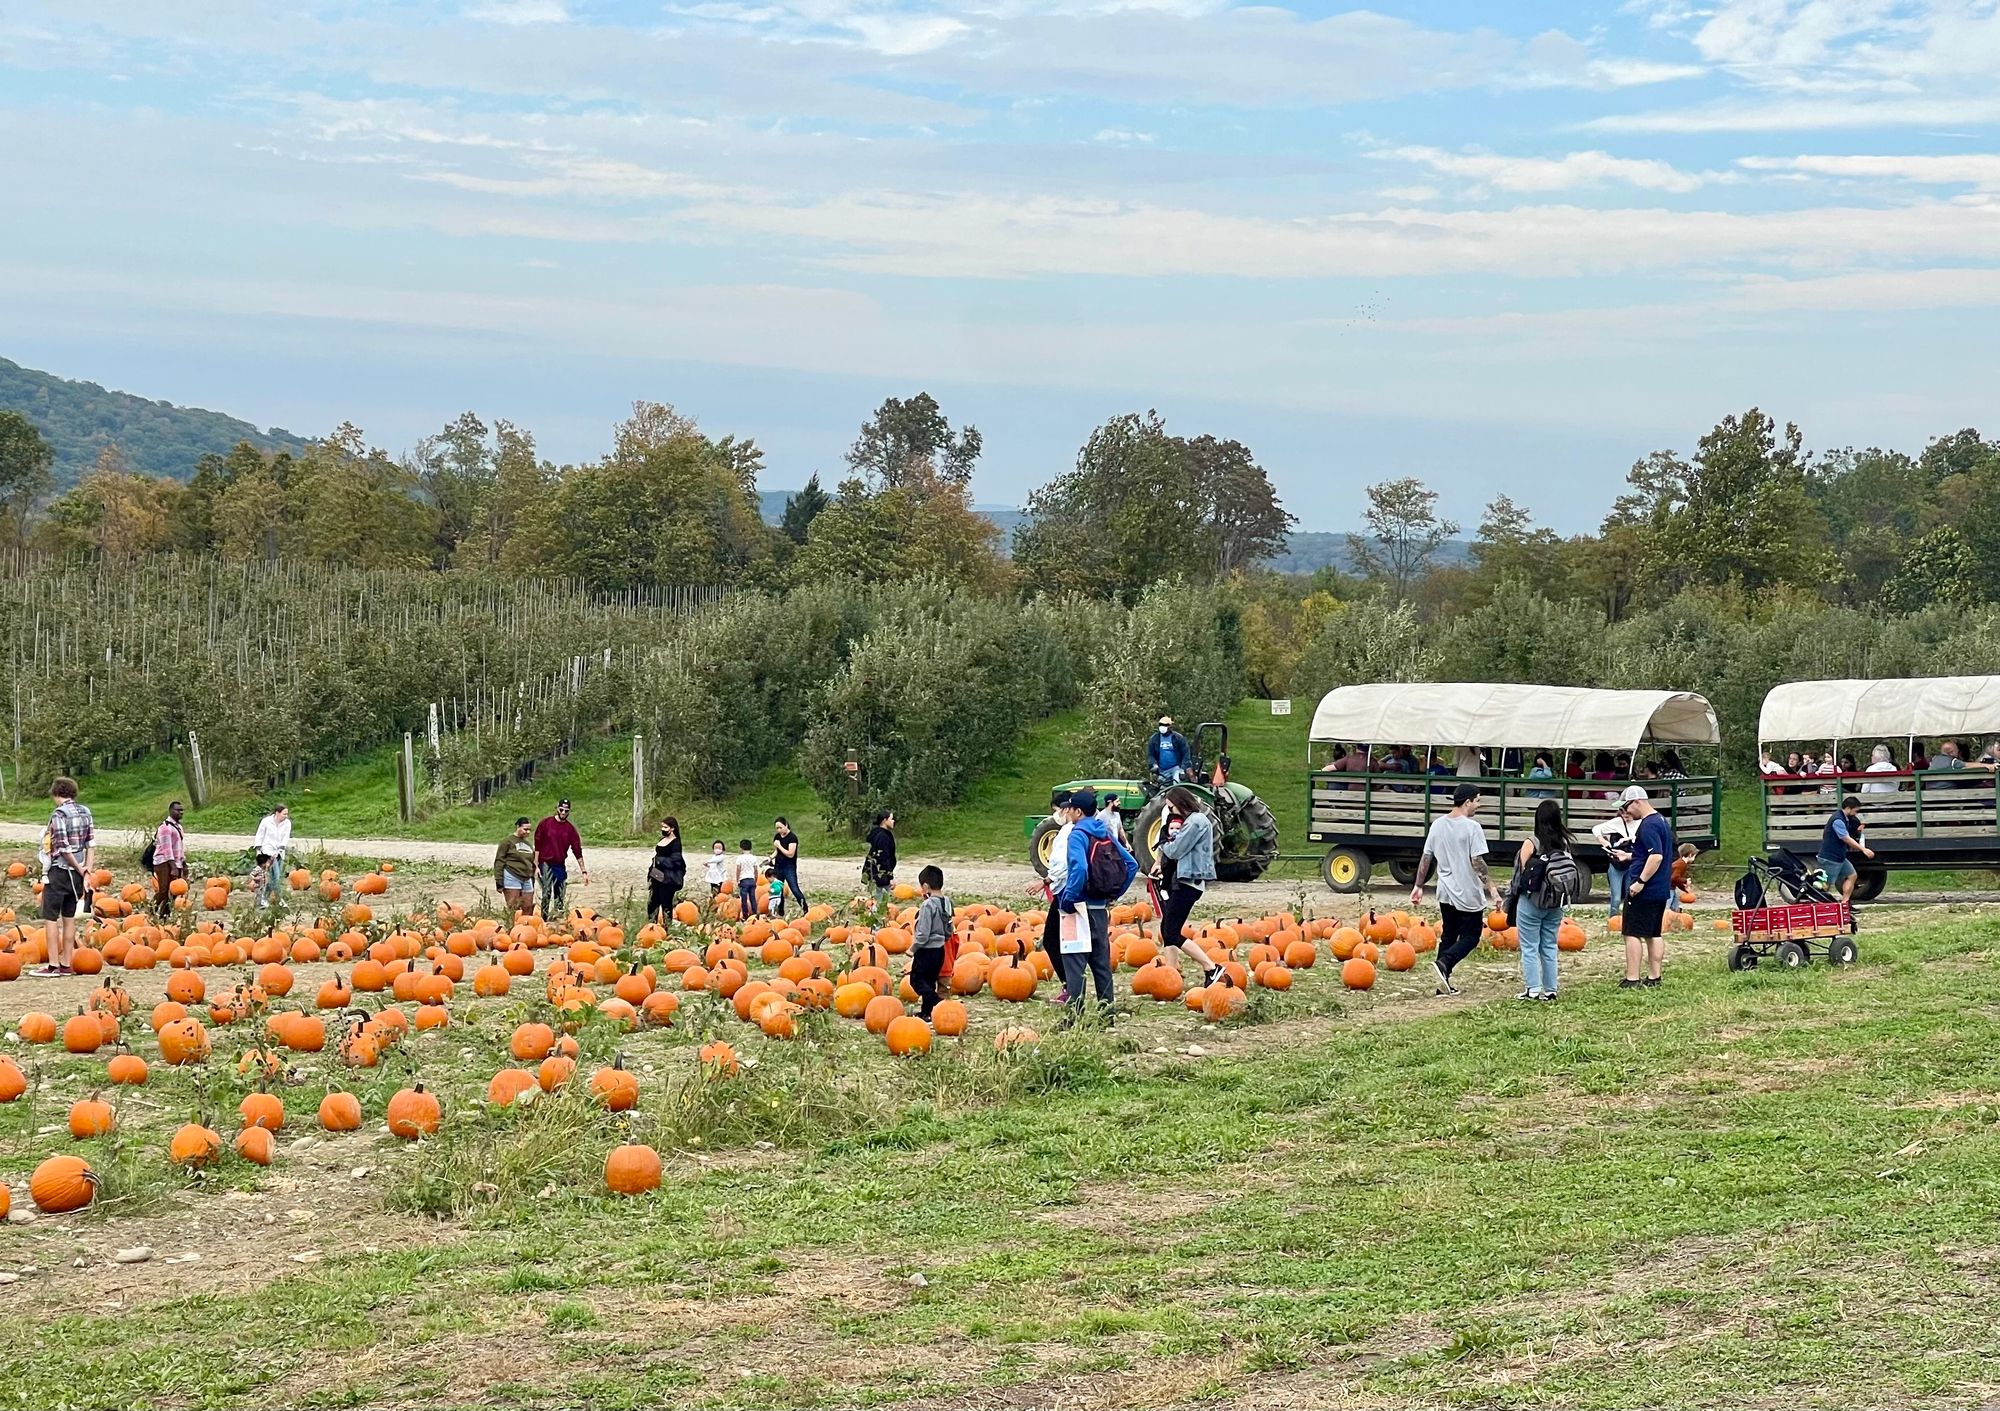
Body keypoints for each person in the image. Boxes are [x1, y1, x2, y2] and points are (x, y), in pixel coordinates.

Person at [1409, 783, 1502, 997]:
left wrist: (1418, 885)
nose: (1478, 805)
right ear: (1467, 801)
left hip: (1445, 890)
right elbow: (1477, 861)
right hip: (1467, 891)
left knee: (1449, 935)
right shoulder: (1472, 828)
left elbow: (1426, 857)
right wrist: (1492, 889)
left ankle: (1442, 983)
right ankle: (1445, 963)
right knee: (1471, 936)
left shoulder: (1438, 825)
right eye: (1477, 800)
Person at [1057, 788, 1136, 1023]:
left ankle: (1074, 1017)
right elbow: (1131, 865)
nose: (1067, 812)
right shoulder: (1104, 831)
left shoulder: (1077, 834)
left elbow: (1079, 869)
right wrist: (1113, 894)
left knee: (1074, 962)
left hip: (1079, 908)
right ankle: (1106, 1015)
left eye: (1069, 808)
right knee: (1101, 962)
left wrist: (1069, 898)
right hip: (1100, 908)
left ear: (1078, 811)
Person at [1152, 786, 1227, 990]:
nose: (1171, 812)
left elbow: (1175, 850)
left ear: (1180, 803)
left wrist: (1163, 843)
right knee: (1166, 928)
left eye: (1171, 807)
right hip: (1182, 880)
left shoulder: (1195, 822)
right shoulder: (1193, 821)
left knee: (1173, 932)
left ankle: (1211, 967)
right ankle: (1171, 972)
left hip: (1188, 883)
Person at [1509, 799, 1575, 1002]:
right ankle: (1551, 989)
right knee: (1549, 945)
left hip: (1532, 901)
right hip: (1556, 902)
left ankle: (1533, 989)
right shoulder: (1564, 843)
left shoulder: (1532, 842)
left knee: (1529, 946)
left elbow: (1521, 872)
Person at [33, 776, 94, 977]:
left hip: (59, 872)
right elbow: (90, 844)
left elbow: (63, 848)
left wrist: (78, 867)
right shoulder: (86, 812)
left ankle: (52, 965)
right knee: (69, 918)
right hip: (76, 877)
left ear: (56, 793)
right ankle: (66, 963)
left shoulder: (59, 814)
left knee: (50, 918)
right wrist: (86, 870)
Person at [1619, 785, 1674, 988]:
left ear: (1637, 802)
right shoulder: (1660, 821)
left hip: (1646, 889)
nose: (1625, 812)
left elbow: (1656, 856)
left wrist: (1640, 882)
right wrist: (1630, 856)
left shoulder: (1648, 825)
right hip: (1660, 888)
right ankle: (1654, 977)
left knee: (1631, 932)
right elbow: (1652, 852)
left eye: (1626, 807)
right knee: (1653, 933)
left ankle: (1632, 978)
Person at [1032, 791, 1077, 1009]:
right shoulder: (1075, 829)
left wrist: (1046, 880)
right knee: (1063, 940)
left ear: (1066, 809)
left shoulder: (1069, 832)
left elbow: (1064, 864)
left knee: (1053, 940)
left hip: (1065, 892)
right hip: (1066, 890)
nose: (1056, 814)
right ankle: (1072, 986)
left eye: (1057, 809)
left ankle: (1071, 987)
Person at [533, 801, 589, 920]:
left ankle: (558, 918)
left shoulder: (570, 829)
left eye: (566, 811)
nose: (563, 812)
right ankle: (544, 919)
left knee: (560, 893)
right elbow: (537, 845)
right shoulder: (545, 823)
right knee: (546, 892)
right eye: (561, 809)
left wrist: (584, 871)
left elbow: (577, 850)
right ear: (557, 808)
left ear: (569, 811)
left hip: (559, 864)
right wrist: (536, 865)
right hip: (545, 863)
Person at [910, 864, 951, 1021]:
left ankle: (938, 1003)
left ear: (926, 886)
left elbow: (923, 933)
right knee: (930, 981)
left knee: (917, 980)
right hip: (939, 950)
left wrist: (913, 949)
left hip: (926, 950)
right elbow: (949, 926)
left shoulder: (928, 905)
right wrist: (943, 938)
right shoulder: (946, 902)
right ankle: (927, 1013)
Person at [1818, 793, 1874, 905]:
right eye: (1855, 811)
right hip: (1830, 857)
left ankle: (1845, 903)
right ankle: (1819, 905)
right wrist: (1863, 849)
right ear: (1848, 808)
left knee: (1852, 875)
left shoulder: (1846, 819)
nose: (1856, 813)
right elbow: (1845, 838)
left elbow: (1852, 830)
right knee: (1825, 885)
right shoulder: (1838, 820)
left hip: (1839, 857)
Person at [1592, 807, 1636, 919]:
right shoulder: (1617, 823)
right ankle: (1612, 920)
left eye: (1628, 815)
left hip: (1630, 864)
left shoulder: (1639, 822)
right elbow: (1596, 829)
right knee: (1616, 897)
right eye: (1624, 815)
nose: (1626, 817)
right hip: (1616, 866)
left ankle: (1628, 919)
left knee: (1629, 895)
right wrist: (1602, 839)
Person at [249, 803, 292, 910]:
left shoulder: (287, 823)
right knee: (276, 876)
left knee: (273, 878)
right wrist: (258, 849)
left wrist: (280, 849)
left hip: (279, 853)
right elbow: (260, 835)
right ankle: (279, 899)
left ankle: (263, 898)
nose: (286, 816)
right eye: (284, 814)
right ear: (277, 813)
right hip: (267, 852)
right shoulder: (266, 821)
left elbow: (285, 837)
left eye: (287, 814)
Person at [494, 817, 537, 916]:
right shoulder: (507, 842)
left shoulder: (528, 844)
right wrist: (499, 881)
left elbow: (531, 861)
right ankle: (513, 927)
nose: (528, 832)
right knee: (513, 906)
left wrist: (532, 876)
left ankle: (526, 925)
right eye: (525, 829)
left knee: (528, 905)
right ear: (518, 827)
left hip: (526, 877)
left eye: (529, 830)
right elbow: (499, 861)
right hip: (512, 875)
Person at [646, 817, 685, 923]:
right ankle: (651, 924)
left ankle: (667, 927)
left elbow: (676, 861)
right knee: (652, 902)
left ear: (672, 828)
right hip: (657, 875)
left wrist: (660, 861)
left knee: (666, 903)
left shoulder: (676, 843)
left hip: (668, 878)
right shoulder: (662, 840)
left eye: (665, 827)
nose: (663, 829)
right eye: (662, 827)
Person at [151, 800, 187, 916]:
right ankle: (150, 910)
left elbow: (179, 847)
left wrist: (183, 862)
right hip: (164, 863)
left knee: (173, 891)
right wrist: (173, 867)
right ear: (171, 811)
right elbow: (167, 849)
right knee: (164, 890)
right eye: (178, 810)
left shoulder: (178, 827)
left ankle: (165, 915)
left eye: (182, 810)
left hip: (176, 862)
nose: (181, 812)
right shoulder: (165, 828)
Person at [862, 811, 897, 910]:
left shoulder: (880, 834)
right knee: (880, 901)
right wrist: (890, 876)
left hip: (876, 872)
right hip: (880, 874)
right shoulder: (883, 837)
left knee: (879, 899)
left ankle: (878, 922)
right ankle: (876, 924)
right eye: (891, 819)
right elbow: (883, 858)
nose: (893, 821)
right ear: (885, 820)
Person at [771, 817, 807, 913]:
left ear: (786, 825)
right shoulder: (777, 837)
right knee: (778, 890)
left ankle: (805, 909)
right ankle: (780, 910)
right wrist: (770, 857)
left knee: (794, 889)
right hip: (778, 866)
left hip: (789, 867)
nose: (779, 830)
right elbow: (777, 851)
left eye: (780, 827)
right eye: (777, 828)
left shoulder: (792, 838)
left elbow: (790, 854)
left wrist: (779, 846)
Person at [1148, 716, 1192, 784]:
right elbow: (1151, 754)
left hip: (1176, 768)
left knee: (1176, 784)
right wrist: (1154, 765)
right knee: (1161, 787)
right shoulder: (1154, 739)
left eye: (1165, 725)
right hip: (1162, 770)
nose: (1162, 727)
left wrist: (1183, 769)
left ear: (1170, 726)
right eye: (1161, 725)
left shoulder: (1178, 738)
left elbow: (1186, 754)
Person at [733, 838, 761, 919]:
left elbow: (738, 869)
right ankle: (755, 914)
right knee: (753, 898)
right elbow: (756, 870)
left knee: (744, 899)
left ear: (741, 848)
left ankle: (745, 915)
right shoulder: (753, 858)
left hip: (743, 880)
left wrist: (737, 880)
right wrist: (755, 879)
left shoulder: (740, 858)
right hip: (751, 880)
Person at [1668, 842, 1697, 912]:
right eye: (1694, 856)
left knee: (1675, 907)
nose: (1694, 858)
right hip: (1667, 888)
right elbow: (1674, 878)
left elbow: (1676, 880)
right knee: (1667, 907)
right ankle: (1665, 920)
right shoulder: (1681, 864)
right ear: (1690, 855)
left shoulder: (1681, 863)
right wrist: (1685, 881)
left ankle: (1676, 916)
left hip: (1671, 887)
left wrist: (1684, 889)